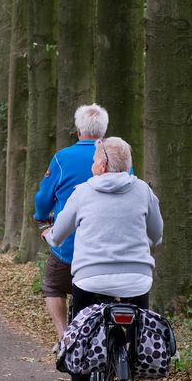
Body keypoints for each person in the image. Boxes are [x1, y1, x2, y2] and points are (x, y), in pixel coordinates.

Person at [42, 137, 163, 381]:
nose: (92, 164)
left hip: (90, 277)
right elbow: (157, 234)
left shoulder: (82, 192)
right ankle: (126, 375)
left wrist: (48, 234)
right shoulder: (143, 190)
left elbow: (59, 234)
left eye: (95, 159)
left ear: (104, 164)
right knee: (136, 326)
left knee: (80, 334)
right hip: (136, 279)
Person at [33, 104, 109, 340]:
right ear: (104, 131)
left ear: (78, 130)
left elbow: (43, 198)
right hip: (110, 246)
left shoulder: (62, 158)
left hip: (70, 248)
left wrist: (42, 218)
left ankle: (64, 337)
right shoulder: (117, 157)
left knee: (53, 286)